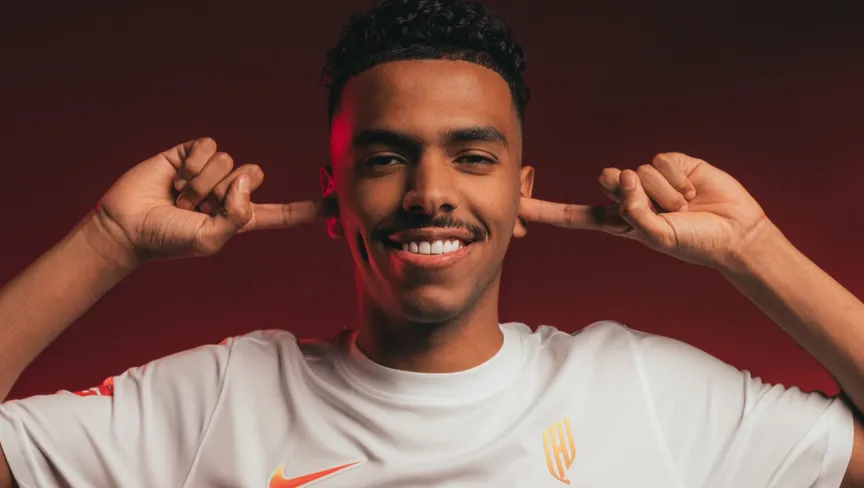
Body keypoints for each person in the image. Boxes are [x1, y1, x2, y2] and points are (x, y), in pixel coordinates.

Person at [0, 0, 862, 486]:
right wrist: (108, 241)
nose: (430, 194)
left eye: (473, 156)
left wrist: (751, 247)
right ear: (334, 195)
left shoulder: (640, 389)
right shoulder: (218, 399)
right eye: (385, 158)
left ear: (520, 195)